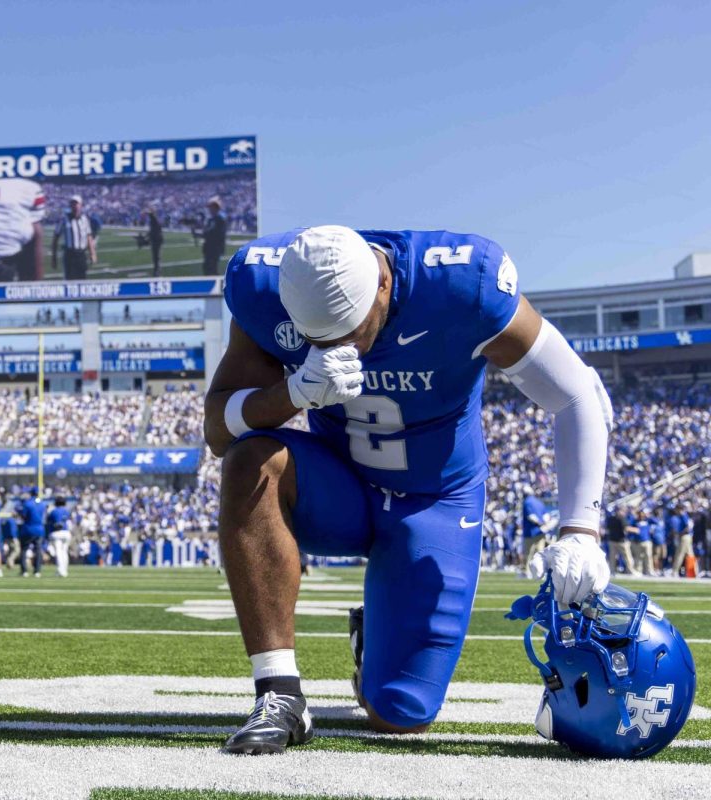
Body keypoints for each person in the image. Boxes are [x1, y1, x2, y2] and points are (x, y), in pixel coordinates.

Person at [205, 225, 612, 753]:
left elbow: (576, 393)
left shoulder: (466, 284)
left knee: (400, 716)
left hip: (436, 497)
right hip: (340, 481)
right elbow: (218, 430)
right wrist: (291, 393)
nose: (335, 347)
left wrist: (581, 529)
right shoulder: (260, 283)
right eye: (316, 337)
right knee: (250, 462)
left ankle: (374, 637)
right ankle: (278, 693)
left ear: (381, 285)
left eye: (347, 329)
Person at [52, 195, 96, 280]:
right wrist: (54, 257)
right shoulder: (64, 219)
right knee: (70, 280)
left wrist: (92, 253)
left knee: (82, 280)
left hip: (81, 254)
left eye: (76, 204)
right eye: (72, 204)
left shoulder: (84, 219)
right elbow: (56, 237)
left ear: (81, 205)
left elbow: (89, 237)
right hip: (69, 254)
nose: (74, 206)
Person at [17, 488, 46, 577]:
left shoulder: (28, 503)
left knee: (24, 550)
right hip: (39, 530)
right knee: (37, 550)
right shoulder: (42, 504)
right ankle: (37, 571)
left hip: (28, 529)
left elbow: (24, 515)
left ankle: (24, 571)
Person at [196, 196, 227, 276]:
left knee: (212, 269)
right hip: (208, 248)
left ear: (215, 208)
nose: (209, 209)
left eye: (211, 207)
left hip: (214, 248)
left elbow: (216, 234)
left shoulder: (220, 219)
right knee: (207, 267)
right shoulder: (211, 219)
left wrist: (203, 234)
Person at [520, 487, 548, 569]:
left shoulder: (527, 502)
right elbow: (546, 515)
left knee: (528, 553)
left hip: (530, 531)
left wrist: (539, 523)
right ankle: (540, 571)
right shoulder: (539, 502)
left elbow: (530, 516)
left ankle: (527, 571)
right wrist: (544, 524)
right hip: (541, 531)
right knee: (540, 552)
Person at [46, 495, 73, 578]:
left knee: (59, 552)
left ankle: (61, 570)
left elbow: (49, 521)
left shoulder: (53, 511)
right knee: (64, 552)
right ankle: (64, 570)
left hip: (56, 533)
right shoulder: (67, 511)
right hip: (66, 533)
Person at [604, 507, 634, 575]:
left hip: (612, 540)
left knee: (612, 557)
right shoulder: (622, 518)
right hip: (621, 541)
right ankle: (630, 571)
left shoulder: (610, 518)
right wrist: (636, 530)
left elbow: (607, 528)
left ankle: (612, 571)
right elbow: (626, 528)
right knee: (627, 557)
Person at [669, 503, 695, 578]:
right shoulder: (683, 516)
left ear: (679, 509)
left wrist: (680, 534)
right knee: (690, 554)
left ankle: (675, 571)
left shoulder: (684, 515)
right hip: (687, 536)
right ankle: (692, 572)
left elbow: (688, 527)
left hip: (685, 537)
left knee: (679, 554)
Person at [144, 208, 164, 276]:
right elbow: (152, 231)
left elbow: (151, 215)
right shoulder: (155, 221)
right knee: (156, 256)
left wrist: (147, 212)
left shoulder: (154, 220)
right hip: (156, 240)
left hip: (156, 240)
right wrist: (147, 236)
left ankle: (157, 270)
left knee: (156, 256)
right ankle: (157, 269)